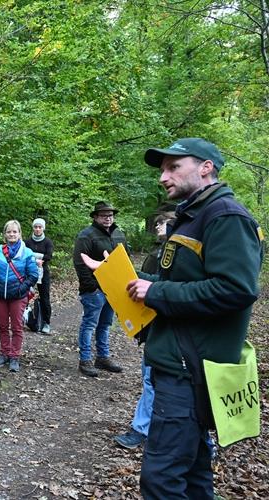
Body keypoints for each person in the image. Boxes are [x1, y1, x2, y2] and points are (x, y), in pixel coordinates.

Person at [130, 138, 262, 498]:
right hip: (182, 364)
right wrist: (142, 283)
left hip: (192, 370)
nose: (163, 177)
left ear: (206, 167)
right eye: (162, 169)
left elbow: (235, 290)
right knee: (193, 472)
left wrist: (157, 293)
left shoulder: (225, 216)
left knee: (162, 479)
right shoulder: (193, 215)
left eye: (173, 167)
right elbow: (186, 282)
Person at [114, 211, 175, 450]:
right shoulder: (158, 252)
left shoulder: (179, 254)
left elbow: (165, 286)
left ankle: (144, 429)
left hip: (170, 328)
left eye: (163, 223)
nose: (159, 227)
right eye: (158, 222)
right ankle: (145, 428)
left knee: (156, 381)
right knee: (150, 380)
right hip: (152, 327)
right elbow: (147, 281)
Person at [72, 201, 127, 377]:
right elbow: (80, 263)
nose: (108, 218)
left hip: (113, 289)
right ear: (95, 217)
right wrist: (92, 287)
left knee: (105, 324)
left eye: (110, 215)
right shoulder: (86, 236)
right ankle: (85, 359)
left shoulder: (118, 234)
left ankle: (102, 357)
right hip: (94, 291)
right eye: (104, 215)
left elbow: (123, 261)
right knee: (89, 324)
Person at [0, 220, 39, 372]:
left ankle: (14, 356)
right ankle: (4, 353)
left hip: (18, 295)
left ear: (20, 233)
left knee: (17, 327)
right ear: (5, 234)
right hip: (0, 294)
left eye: (15, 232)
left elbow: (33, 274)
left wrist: (21, 289)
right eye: (9, 232)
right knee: (2, 326)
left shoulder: (27, 253)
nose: (12, 234)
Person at [24, 218, 54, 334]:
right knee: (25, 294)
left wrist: (36, 258)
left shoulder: (47, 242)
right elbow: (24, 254)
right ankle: (23, 318)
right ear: (33, 228)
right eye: (36, 227)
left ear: (43, 228)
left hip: (43, 272)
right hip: (28, 272)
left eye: (40, 227)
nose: (37, 229)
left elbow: (49, 256)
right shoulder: (27, 242)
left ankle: (46, 323)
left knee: (45, 297)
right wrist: (36, 259)